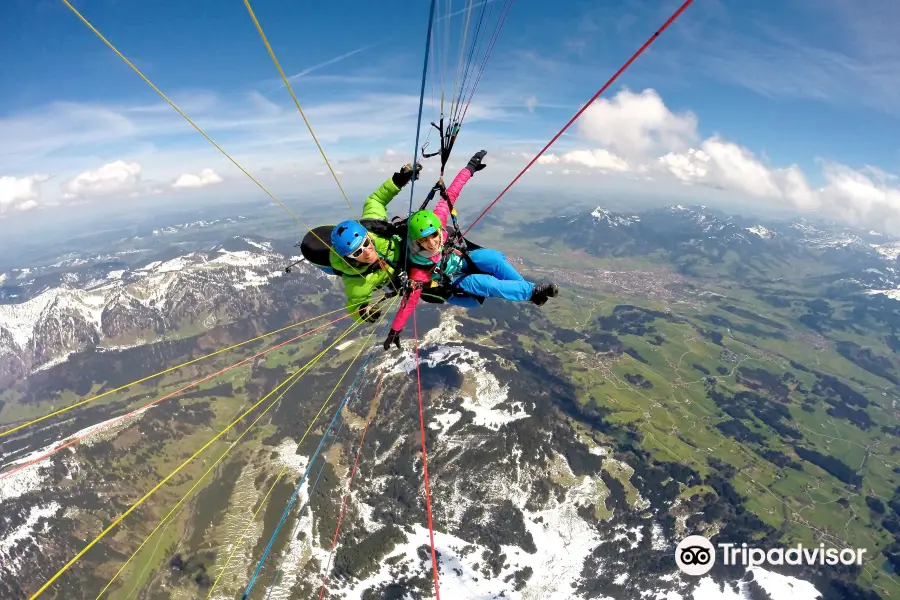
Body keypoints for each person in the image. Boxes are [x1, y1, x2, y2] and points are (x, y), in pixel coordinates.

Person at [382, 150, 558, 350]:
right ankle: (532, 291)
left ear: (438, 229)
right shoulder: (418, 271)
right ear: (416, 242)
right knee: (484, 283)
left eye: (434, 236)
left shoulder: (438, 220)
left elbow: (453, 192)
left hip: (461, 258)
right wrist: (394, 330)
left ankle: (530, 292)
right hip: (451, 279)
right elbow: (408, 304)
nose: (431, 243)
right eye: (424, 240)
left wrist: (470, 168)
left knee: (493, 258)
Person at [320, 162, 422, 323]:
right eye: (357, 252)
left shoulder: (374, 227)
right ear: (348, 258)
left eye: (366, 243)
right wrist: (365, 313)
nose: (367, 251)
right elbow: (355, 306)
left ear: (368, 235)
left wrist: (399, 180)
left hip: (406, 251)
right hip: (402, 276)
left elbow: (376, 200)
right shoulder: (356, 279)